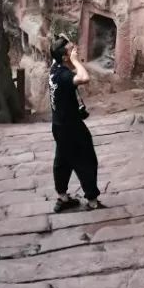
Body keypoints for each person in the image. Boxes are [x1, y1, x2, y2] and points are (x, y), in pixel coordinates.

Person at [49, 34, 103, 211]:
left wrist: (66, 44)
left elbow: (58, 50)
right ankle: (92, 201)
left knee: (62, 161)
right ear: (65, 57)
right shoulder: (64, 76)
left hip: (59, 125)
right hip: (72, 127)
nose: (75, 51)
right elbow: (85, 78)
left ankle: (62, 197)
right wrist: (77, 61)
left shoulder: (54, 69)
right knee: (86, 159)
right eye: (72, 50)